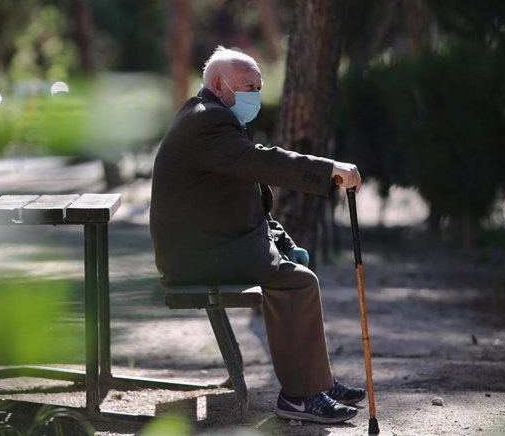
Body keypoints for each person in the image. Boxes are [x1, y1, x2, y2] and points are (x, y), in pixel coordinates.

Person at [149, 46, 364, 424]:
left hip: (207, 245)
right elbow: (263, 161)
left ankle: (317, 384)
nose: (256, 96)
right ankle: (301, 396)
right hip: (196, 255)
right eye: (249, 86)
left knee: (295, 277)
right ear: (219, 84)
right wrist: (328, 168)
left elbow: (248, 202)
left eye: (259, 87)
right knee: (297, 283)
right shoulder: (208, 122)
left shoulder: (208, 116)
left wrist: (284, 242)